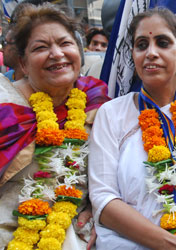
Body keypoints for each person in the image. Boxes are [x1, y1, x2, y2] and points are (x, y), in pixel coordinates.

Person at [0, 3, 110, 250]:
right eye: (41, 47)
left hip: (75, 232)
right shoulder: (5, 102)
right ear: (23, 64)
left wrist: (96, 205)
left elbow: (115, 175)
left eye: (65, 43)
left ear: (79, 53)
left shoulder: (98, 102)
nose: (57, 54)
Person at [89, 7, 176, 250]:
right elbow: (104, 200)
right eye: (141, 45)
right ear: (133, 55)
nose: (151, 53)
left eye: (162, 43)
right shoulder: (112, 114)